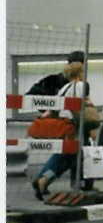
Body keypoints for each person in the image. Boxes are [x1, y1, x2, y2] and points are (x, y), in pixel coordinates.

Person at [30, 61, 90, 199]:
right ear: (80, 73)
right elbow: (80, 106)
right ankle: (43, 180)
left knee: (66, 157)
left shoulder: (64, 88)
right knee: (66, 157)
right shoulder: (80, 86)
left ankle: (44, 180)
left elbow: (52, 108)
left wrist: (42, 119)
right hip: (73, 126)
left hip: (64, 125)